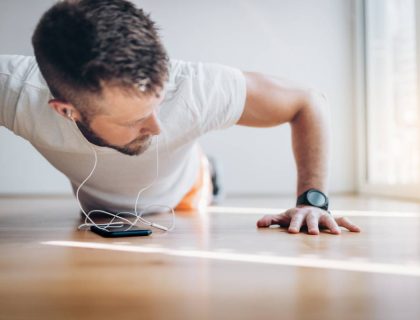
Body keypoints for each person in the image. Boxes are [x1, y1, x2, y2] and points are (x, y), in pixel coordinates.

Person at [0, 0, 360, 235]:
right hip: (98, 207)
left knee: (199, 176)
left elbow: (308, 101)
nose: (156, 127)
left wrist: (312, 201)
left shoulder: (194, 87)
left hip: (185, 192)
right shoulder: (15, 92)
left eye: (157, 104)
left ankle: (210, 170)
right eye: (135, 119)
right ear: (65, 110)